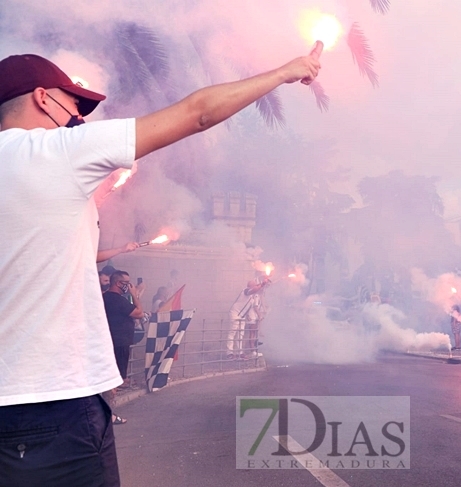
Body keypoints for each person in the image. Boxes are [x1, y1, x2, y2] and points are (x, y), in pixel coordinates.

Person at [0, 46, 321, 485]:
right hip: (53, 406)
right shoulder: (56, 150)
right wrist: (287, 70)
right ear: (42, 98)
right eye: (74, 104)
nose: (79, 117)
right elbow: (199, 113)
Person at [102, 271, 144, 425]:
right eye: (127, 282)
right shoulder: (117, 300)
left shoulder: (104, 297)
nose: (129, 285)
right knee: (116, 381)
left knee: (112, 380)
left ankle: (106, 413)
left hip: (110, 342)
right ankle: (108, 415)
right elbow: (139, 313)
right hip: (119, 343)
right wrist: (135, 295)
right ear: (118, 283)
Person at [228, 278, 269, 359]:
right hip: (235, 314)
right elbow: (254, 290)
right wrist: (262, 284)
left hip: (242, 316)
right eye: (255, 285)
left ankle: (240, 353)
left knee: (240, 335)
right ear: (251, 286)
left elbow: (248, 307)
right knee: (232, 333)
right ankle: (229, 353)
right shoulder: (246, 291)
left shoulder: (253, 297)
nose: (256, 286)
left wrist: (247, 316)